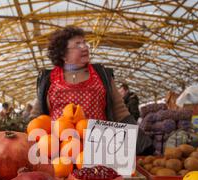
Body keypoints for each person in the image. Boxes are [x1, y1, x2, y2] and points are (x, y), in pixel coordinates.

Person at [31, 26, 152, 154]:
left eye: (84, 43)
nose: (85, 47)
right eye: (78, 44)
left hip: (99, 149)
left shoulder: (101, 75)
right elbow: (37, 116)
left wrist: (143, 144)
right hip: (58, 151)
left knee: (97, 173)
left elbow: (120, 111)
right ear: (63, 54)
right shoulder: (49, 79)